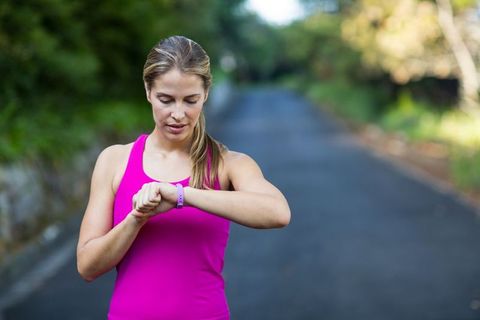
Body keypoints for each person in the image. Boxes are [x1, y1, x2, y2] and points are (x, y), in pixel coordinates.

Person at [76, 35, 291, 320]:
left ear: (206, 94)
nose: (178, 114)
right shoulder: (115, 160)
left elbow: (278, 213)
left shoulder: (228, 164)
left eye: (191, 100)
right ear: (148, 91)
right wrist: (137, 218)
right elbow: (88, 266)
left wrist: (180, 195)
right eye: (166, 100)